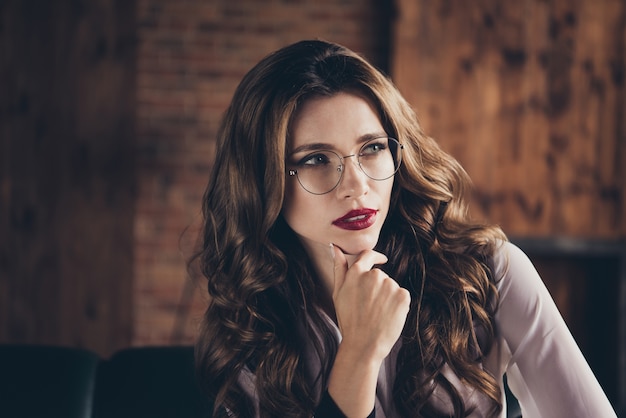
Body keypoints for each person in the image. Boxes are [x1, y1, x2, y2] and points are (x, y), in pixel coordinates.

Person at [192, 39, 616, 417]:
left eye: (372, 148)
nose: (356, 186)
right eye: (316, 159)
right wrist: (358, 354)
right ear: (260, 180)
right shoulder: (248, 317)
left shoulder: (488, 271)